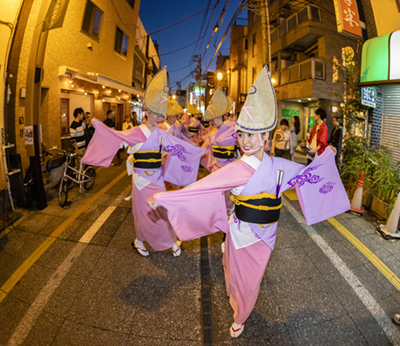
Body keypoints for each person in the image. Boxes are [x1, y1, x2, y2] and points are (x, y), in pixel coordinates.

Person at [147, 66, 350, 338]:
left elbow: (307, 175)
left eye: (251, 135)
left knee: (251, 281)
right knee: (235, 273)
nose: (244, 140)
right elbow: (201, 187)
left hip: (267, 235)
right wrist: (165, 196)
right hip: (240, 231)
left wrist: (328, 157)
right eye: (241, 134)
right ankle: (240, 313)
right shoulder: (237, 168)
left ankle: (241, 312)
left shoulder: (280, 165)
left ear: (266, 138)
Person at [81, 67, 205, 257]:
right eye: (155, 113)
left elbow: (179, 147)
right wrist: (101, 127)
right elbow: (116, 136)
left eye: (161, 113)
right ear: (146, 112)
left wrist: (197, 152)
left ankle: (170, 241)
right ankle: (139, 241)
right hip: (140, 181)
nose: (158, 117)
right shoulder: (135, 132)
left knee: (161, 212)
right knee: (142, 213)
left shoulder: (161, 133)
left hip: (157, 179)